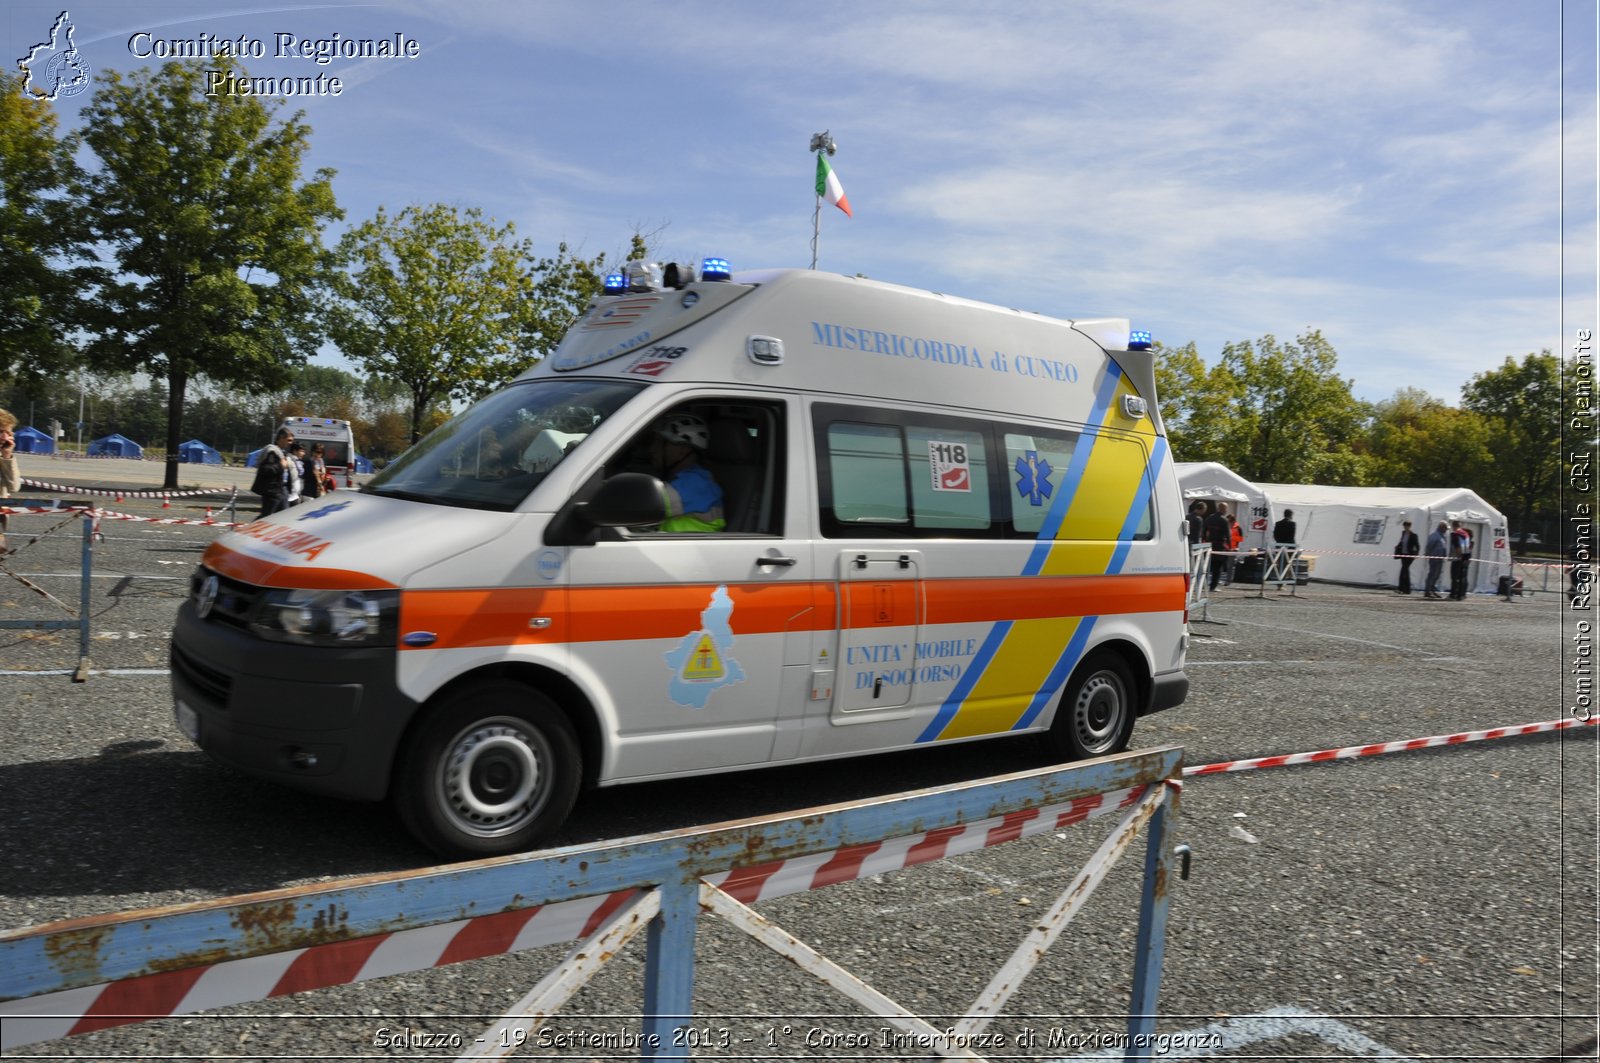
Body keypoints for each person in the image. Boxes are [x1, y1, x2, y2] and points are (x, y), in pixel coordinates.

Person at [644, 413, 724, 532]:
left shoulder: (697, 483)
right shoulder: (684, 479)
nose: (652, 449)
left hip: (692, 549)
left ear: (682, 449)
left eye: (660, 443)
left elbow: (645, 504)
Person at [252, 427, 293, 516]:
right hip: (272, 492)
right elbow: (265, 469)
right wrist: (280, 465)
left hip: (280, 491)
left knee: (282, 516)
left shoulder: (281, 452)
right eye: (289, 440)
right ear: (281, 438)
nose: (290, 443)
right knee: (266, 517)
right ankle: (249, 529)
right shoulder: (272, 452)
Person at [0, 408, 18, 549]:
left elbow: (14, 486)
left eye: (9, 433)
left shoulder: (5, 457)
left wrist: (7, 457)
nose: (5, 438)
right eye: (1, 432)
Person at [1204, 501, 1231, 590]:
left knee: (1207, 566)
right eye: (1226, 509)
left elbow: (1204, 530)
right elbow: (1228, 535)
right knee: (1217, 567)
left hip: (1210, 545)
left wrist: (1206, 540)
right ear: (1223, 509)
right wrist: (1230, 546)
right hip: (1220, 546)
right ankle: (1213, 586)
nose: (1226, 510)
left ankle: (1203, 584)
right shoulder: (1224, 520)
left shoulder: (1210, 518)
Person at [1448, 520, 1474, 600]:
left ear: (1453, 526)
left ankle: (1453, 595)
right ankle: (1462, 594)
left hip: (1458, 558)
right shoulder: (1466, 534)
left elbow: (1458, 547)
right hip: (1466, 557)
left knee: (1455, 577)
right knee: (1463, 577)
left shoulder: (1455, 534)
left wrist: (1459, 556)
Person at [1393, 519, 1420, 595]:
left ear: (1410, 526)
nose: (1406, 527)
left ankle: (1401, 588)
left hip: (1410, 555)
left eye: (1407, 526)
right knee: (1406, 571)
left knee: (1403, 571)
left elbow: (1417, 546)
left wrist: (1416, 554)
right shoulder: (1403, 533)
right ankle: (1407, 590)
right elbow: (1401, 542)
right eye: (1405, 526)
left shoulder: (1414, 535)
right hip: (1403, 554)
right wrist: (1398, 547)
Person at [1423, 520, 1448, 599]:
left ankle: (1432, 590)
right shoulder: (1435, 535)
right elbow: (1429, 546)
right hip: (1434, 558)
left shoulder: (1442, 536)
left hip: (1440, 559)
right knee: (1432, 574)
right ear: (1441, 527)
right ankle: (1428, 591)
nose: (1446, 530)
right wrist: (1428, 554)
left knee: (1437, 575)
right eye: (1445, 528)